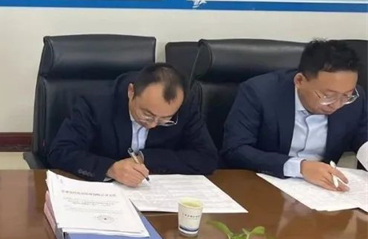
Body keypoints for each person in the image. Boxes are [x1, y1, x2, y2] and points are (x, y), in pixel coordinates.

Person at [222, 39, 366, 191]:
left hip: (320, 191)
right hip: (262, 185)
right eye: (328, 96)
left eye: (346, 95)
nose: (336, 105)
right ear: (299, 81)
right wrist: (300, 167)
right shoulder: (259, 93)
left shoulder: (355, 99)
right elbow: (235, 150)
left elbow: (362, 137)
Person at [48, 63, 217, 186]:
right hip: (101, 193)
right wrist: (110, 168)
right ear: (131, 92)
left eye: (165, 119)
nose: (153, 125)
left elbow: (207, 157)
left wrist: (146, 158)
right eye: (147, 115)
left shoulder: (185, 107)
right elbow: (61, 151)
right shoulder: (95, 103)